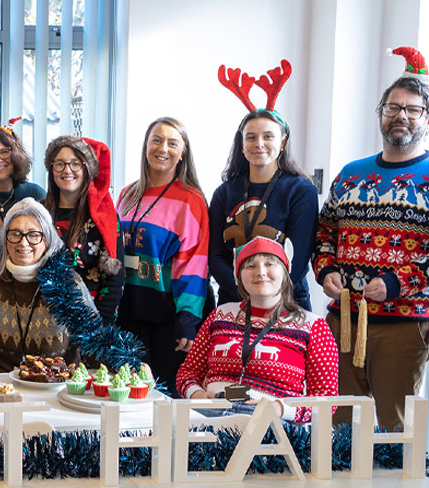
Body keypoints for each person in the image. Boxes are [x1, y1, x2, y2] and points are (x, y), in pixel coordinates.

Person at [312, 51, 429, 430]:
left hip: (404, 325)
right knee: (338, 425)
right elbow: (325, 232)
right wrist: (324, 268)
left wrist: (397, 283)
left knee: (394, 426)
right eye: (393, 107)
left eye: (412, 109)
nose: (401, 116)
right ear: (381, 113)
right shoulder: (351, 173)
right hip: (343, 319)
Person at [177, 237, 338, 423]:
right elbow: (188, 371)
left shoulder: (313, 326)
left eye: (270, 263)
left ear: (285, 273)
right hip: (211, 411)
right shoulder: (220, 315)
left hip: (272, 420)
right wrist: (196, 394)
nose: (261, 272)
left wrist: (279, 409)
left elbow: (326, 399)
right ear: (239, 276)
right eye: (250, 266)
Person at [116, 117, 210, 390]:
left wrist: (188, 319)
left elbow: (194, 263)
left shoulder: (190, 200)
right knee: (128, 394)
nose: (163, 148)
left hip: (166, 319)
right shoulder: (127, 194)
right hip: (127, 313)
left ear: (183, 153)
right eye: (156, 140)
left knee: (163, 397)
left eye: (172, 143)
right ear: (146, 145)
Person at [0, 198, 90, 373]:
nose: (23, 243)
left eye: (33, 235)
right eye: (15, 233)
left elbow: (97, 345)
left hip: (56, 392)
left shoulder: (70, 285)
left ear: (47, 240)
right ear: (5, 239)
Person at [209, 107, 317, 310]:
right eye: (251, 137)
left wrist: (265, 297)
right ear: (241, 144)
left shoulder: (301, 191)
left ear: (282, 142)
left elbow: (299, 259)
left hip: (286, 305)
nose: (259, 144)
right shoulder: (224, 193)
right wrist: (244, 292)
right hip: (233, 304)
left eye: (268, 136)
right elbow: (215, 254)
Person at [43, 135, 124, 322]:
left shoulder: (104, 218)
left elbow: (114, 280)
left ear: (87, 169)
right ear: (51, 169)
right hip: (43, 320)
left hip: (90, 319)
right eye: (59, 164)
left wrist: (99, 328)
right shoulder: (39, 214)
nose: (67, 170)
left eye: (75, 164)